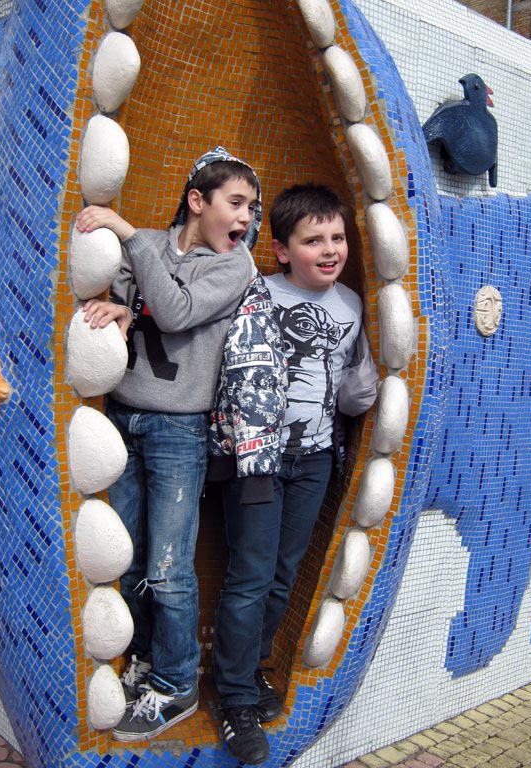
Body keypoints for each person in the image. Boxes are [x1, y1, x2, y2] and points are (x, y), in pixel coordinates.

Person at [75, 146, 261, 743]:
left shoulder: (234, 265)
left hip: (179, 429)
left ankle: (179, 684)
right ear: (197, 200)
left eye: (252, 208)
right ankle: (149, 664)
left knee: (168, 566)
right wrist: (122, 312)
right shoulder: (150, 246)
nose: (247, 217)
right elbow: (134, 304)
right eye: (237, 203)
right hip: (123, 415)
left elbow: (176, 311)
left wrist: (128, 234)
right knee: (127, 558)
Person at [212, 184, 378, 765]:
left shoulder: (351, 305)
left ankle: (251, 666)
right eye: (314, 241)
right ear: (282, 250)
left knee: (282, 574)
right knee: (251, 575)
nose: (330, 250)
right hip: (257, 459)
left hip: (314, 459)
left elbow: (353, 390)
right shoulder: (257, 293)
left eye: (337, 238)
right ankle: (233, 698)